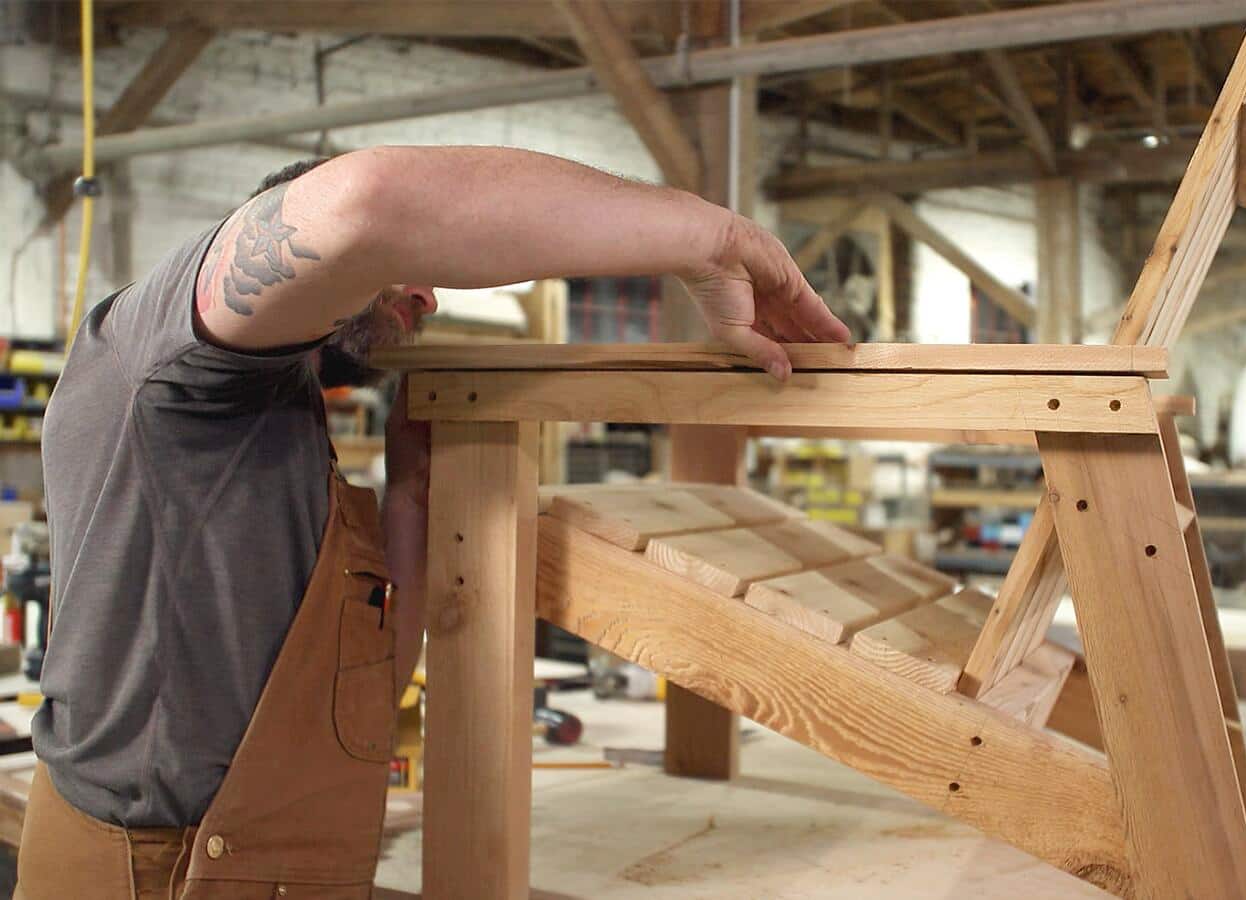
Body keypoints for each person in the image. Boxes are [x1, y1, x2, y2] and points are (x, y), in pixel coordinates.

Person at [16, 147, 851, 898]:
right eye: (397, 273)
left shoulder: (266, 414)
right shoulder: (160, 349)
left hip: (271, 854)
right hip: (151, 869)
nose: (426, 294)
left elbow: (363, 689)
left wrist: (412, 496)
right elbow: (370, 200)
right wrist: (714, 240)